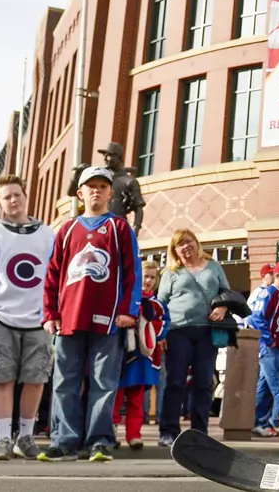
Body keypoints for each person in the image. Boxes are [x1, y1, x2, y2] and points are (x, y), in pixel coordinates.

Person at [40, 166, 142, 462]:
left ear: (111, 193)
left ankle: (99, 440)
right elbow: (53, 273)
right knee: (64, 381)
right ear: (80, 192)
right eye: (90, 186)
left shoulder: (119, 227)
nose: (96, 190)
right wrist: (50, 312)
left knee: (104, 381)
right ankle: (64, 440)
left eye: (102, 186)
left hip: (108, 318)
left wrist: (128, 310)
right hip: (69, 317)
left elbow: (132, 271)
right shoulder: (68, 229)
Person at [0, 176, 54, 461]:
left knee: (36, 378)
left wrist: (53, 312)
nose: (13, 200)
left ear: (26, 195)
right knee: (2, 378)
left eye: (17, 194)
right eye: (7, 197)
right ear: (0, 203)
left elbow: (57, 277)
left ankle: (25, 437)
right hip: (1, 317)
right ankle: (3, 438)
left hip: (38, 319)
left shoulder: (48, 234)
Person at [155, 229, 230, 446]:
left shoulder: (214, 266)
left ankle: (199, 432)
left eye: (189, 242)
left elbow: (226, 293)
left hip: (207, 331)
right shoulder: (171, 272)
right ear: (175, 250)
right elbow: (160, 303)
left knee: (204, 382)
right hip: (177, 331)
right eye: (180, 245)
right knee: (175, 381)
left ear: (196, 243)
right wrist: (161, 334)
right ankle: (168, 432)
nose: (186, 247)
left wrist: (222, 308)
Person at [115, 260, 166, 450]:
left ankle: (134, 435)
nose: (148, 280)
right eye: (145, 276)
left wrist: (153, 334)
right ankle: (111, 431)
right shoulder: (126, 299)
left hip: (144, 358)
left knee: (137, 399)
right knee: (116, 397)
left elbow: (163, 324)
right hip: (123, 356)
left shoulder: (158, 305)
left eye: (152, 277)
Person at [249, 261, 279, 437]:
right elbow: (255, 318)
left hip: (277, 348)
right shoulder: (270, 293)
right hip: (269, 348)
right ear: (277, 276)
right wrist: (269, 341)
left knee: (266, 388)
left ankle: (258, 422)